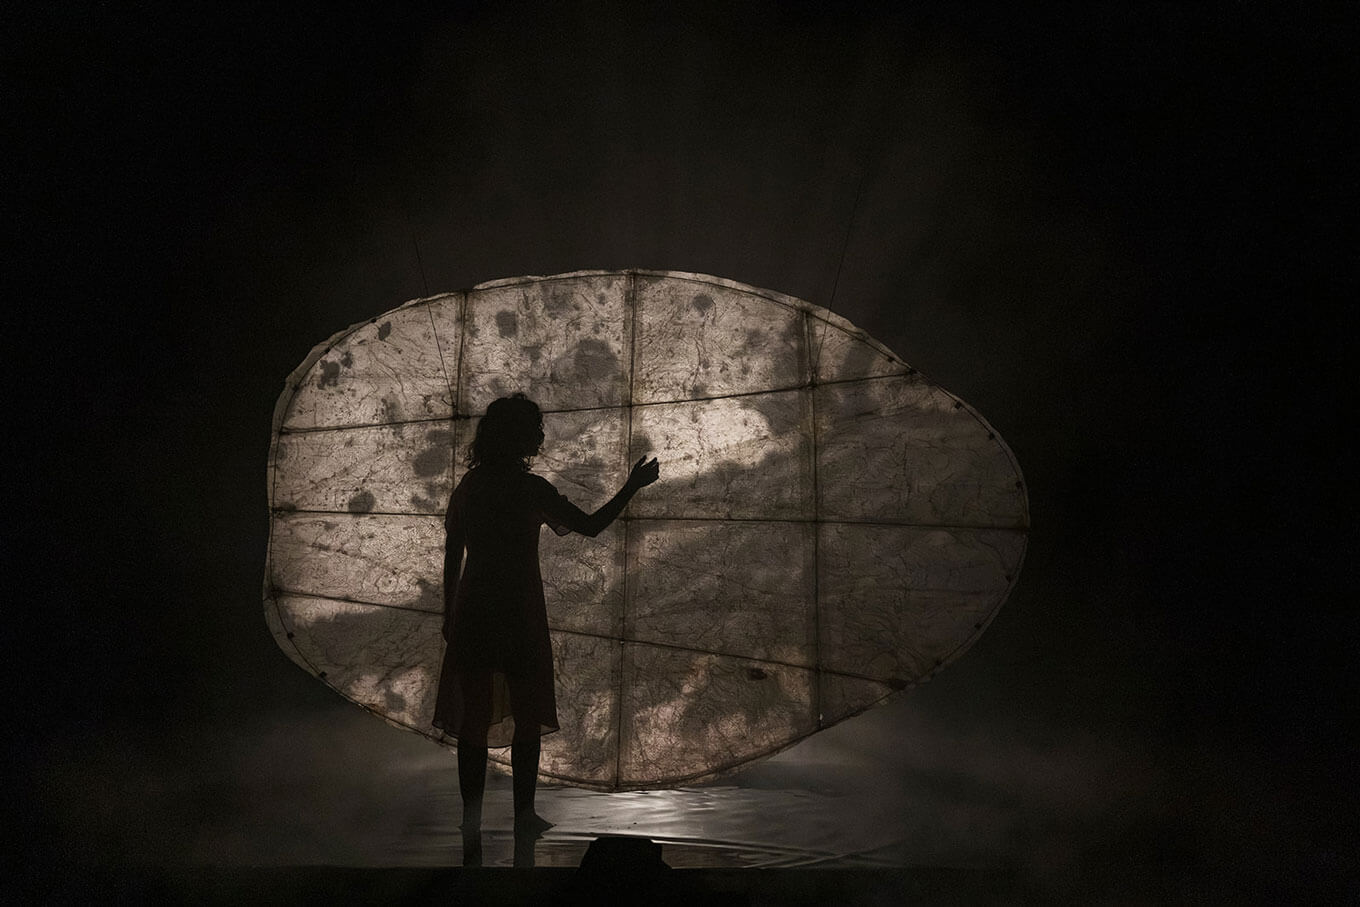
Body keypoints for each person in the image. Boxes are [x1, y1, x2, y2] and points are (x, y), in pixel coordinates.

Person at [432, 393, 659, 840]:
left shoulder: (471, 487)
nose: (539, 436)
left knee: (475, 717)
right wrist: (631, 487)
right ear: (520, 438)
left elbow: (452, 552)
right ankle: (524, 814)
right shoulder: (530, 489)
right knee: (527, 712)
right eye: (534, 430)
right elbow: (590, 525)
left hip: (474, 608)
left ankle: (471, 820)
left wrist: (449, 610)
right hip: (518, 611)